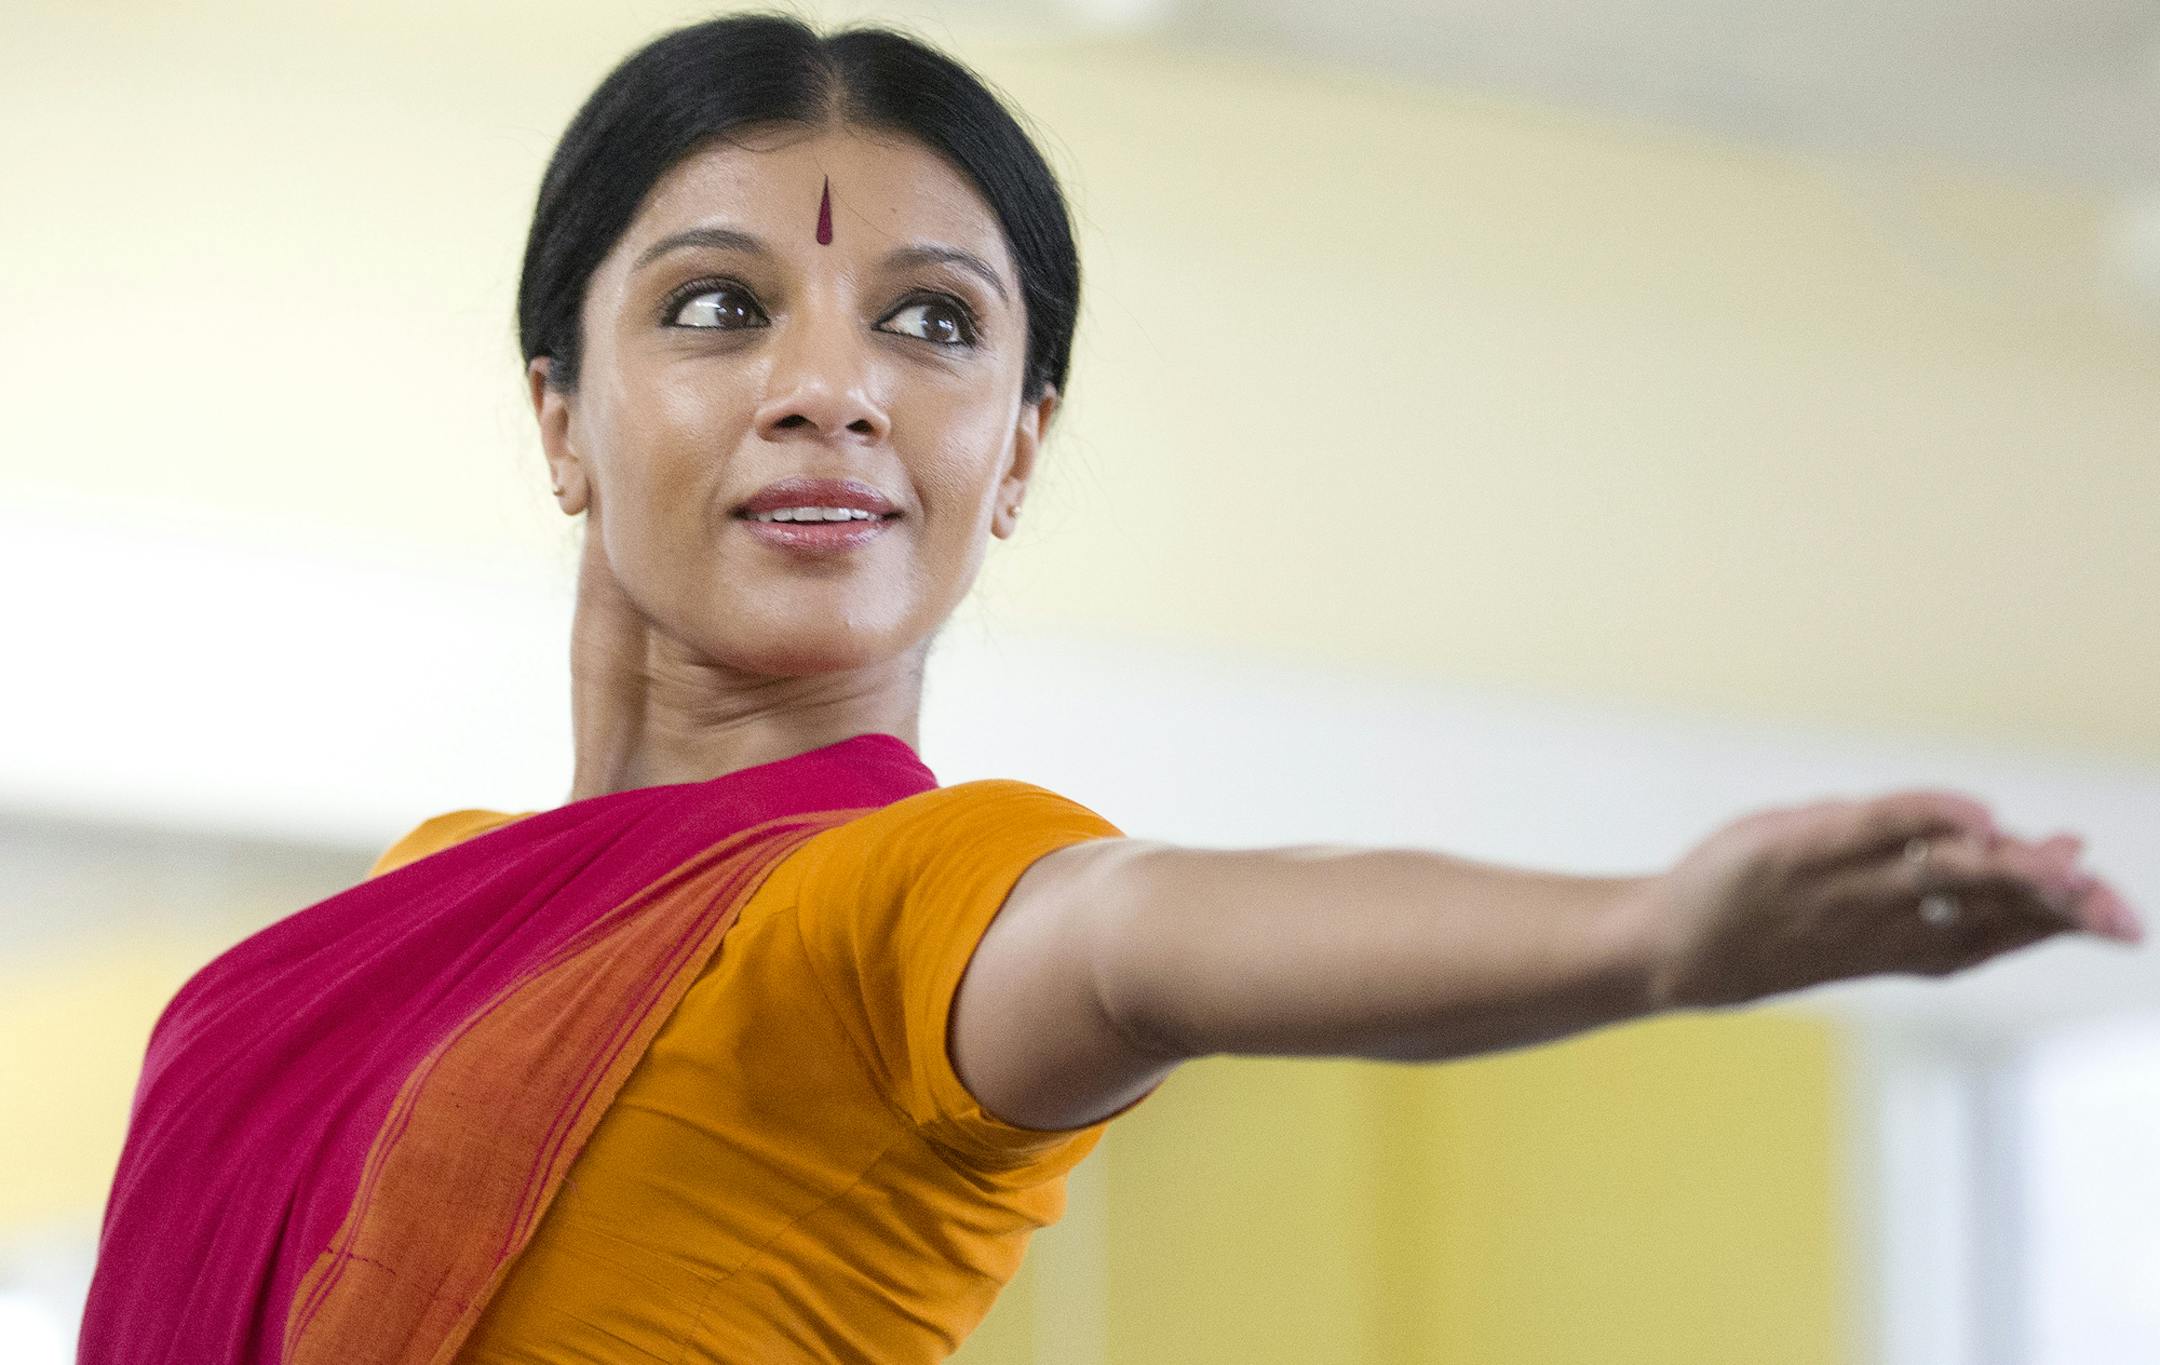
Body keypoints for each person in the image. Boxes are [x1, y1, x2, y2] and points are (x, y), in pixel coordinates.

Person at [75, 12, 2144, 1364]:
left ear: (1020, 450)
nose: (832, 387)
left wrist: (1650, 931)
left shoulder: (924, 900)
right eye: (719, 307)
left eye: (935, 327)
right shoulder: (348, 944)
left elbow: (1151, 934)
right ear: (560, 410)